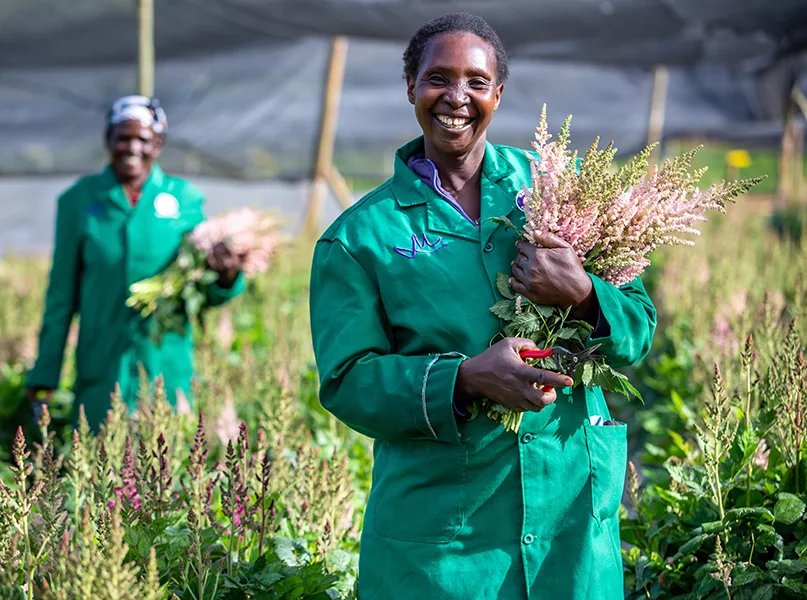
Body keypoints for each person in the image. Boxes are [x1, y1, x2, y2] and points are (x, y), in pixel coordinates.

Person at [309, 13, 657, 600]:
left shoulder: (559, 188)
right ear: (411, 88)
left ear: (498, 93)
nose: (456, 97)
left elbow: (638, 328)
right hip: (446, 525)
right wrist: (465, 379)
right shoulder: (358, 238)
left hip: (567, 499)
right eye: (437, 78)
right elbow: (348, 381)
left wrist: (583, 293)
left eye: (476, 81)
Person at [26, 95, 245, 432]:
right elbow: (61, 295)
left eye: (142, 139)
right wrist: (45, 374)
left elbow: (203, 292)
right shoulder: (79, 201)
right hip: (102, 361)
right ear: (108, 141)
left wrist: (227, 276)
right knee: (101, 462)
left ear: (157, 144)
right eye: (122, 137)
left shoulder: (185, 201)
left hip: (164, 362)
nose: (132, 147)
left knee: (164, 462)